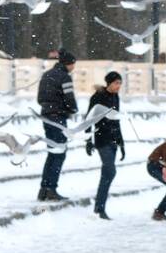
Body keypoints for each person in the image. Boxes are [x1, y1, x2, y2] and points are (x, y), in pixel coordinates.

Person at [37, 48, 78, 201]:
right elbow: (69, 98)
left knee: (52, 153)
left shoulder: (46, 75)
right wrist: (73, 109)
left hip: (46, 116)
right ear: (68, 63)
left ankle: (44, 189)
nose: (74, 67)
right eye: (73, 64)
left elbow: (40, 98)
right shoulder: (65, 77)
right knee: (59, 154)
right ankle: (52, 190)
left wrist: (48, 106)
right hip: (58, 118)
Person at [84, 71, 124, 220]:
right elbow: (88, 118)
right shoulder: (98, 97)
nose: (118, 86)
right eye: (116, 83)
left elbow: (116, 119)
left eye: (120, 83)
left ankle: (99, 208)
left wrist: (121, 141)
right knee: (110, 171)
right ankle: (100, 208)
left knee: (107, 173)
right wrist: (88, 140)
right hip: (102, 139)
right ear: (109, 83)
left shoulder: (115, 97)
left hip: (113, 139)